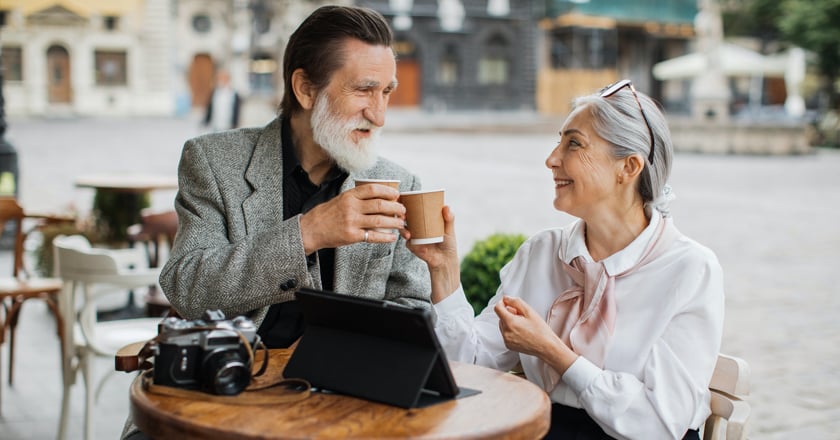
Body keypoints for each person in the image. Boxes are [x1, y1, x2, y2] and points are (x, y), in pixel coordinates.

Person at [122, 5, 430, 438]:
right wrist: (308, 232)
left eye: (387, 92)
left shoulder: (394, 182)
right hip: (225, 393)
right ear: (305, 88)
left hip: (341, 404)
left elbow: (413, 307)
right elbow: (189, 286)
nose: (380, 115)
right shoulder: (214, 162)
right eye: (364, 91)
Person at [407, 80, 725, 439]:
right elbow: (470, 366)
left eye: (573, 143)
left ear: (629, 167)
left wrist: (553, 351)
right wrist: (444, 271)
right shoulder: (541, 253)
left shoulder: (690, 270)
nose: (551, 159)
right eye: (559, 141)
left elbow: (659, 424)